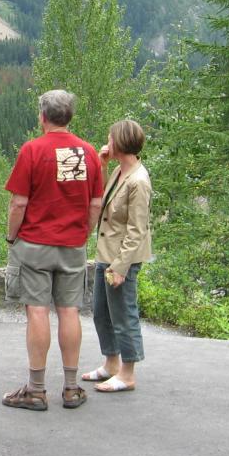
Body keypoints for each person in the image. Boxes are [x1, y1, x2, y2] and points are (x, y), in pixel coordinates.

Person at [1, 89, 103, 411]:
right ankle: (72, 388)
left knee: (37, 310)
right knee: (69, 311)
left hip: (34, 245)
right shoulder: (88, 153)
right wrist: (84, 232)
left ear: (42, 116)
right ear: (69, 116)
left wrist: (11, 237)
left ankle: (36, 389)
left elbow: (19, 202)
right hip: (72, 245)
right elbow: (96, 203)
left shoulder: (32, 150)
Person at [82, 119, 152, 393]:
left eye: (110, 138)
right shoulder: (121, 171)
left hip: (122, 259)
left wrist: (121, 267)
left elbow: (137, 230)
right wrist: (102, 165)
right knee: (101, 312)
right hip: (106, 253)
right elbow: (102, 199)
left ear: (120, 142)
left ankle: (128, 372)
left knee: (123, 314)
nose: (107, 142)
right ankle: (110, 363)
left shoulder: (138, 180)